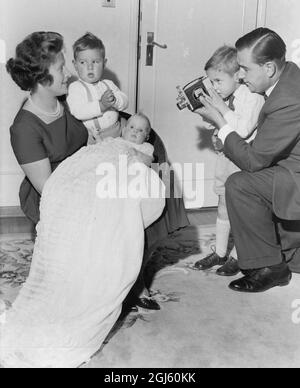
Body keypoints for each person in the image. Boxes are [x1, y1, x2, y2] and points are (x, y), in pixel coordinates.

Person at [0, 100, 165, 368]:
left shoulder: (144, 148)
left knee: (113, 195)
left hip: (122, 167)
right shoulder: (113, 140)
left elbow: (146, 161)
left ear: (147, 136)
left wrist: (134, 157)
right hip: (100, 163)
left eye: (141, 130)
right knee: (85, 180)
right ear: (124, 128)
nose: (135, 132)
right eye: (132, 127)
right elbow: (96, 151)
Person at [197, 27, 300, 293]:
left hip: (294, 177)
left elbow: (254, 161)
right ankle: (277, 253)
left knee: (240, 184)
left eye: (244, 68)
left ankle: (271, 268)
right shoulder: (286, 78)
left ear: (268, 68)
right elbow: (267, 141)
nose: (240, 76)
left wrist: (220, 122)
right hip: (288, 167)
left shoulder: (289, 98)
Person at [193, 46, 264, 276]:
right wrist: (204, 110)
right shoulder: (225, 94)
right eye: (211, 81)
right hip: (226, 160)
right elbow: (211, 124)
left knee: (239, 211)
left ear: (238, 76)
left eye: (218, 81)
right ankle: (221, 252)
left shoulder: (251, 96)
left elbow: (242, 130)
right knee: (223, 208)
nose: (214, 87)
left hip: (243, 162)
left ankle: (238, 256)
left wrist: (220, 108)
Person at [6, 31, 88, 226]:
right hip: (57, 198)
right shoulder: (23, 129)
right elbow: (49, 189)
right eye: (61, 68)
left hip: (85, 176)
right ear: (42, 78)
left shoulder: (70, 99)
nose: (69, 73)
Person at [67, 32, 129, 145]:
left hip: (118, 129)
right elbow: (77, 111)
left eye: (95, 62)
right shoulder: (76, 87)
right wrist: (101, 105)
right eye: (82, 62)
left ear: (104, 64)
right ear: (75, 65)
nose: (90, 67)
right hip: (96, 137)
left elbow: (125, 102)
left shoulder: (108, 84)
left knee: (137, 128)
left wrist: (116, 100)